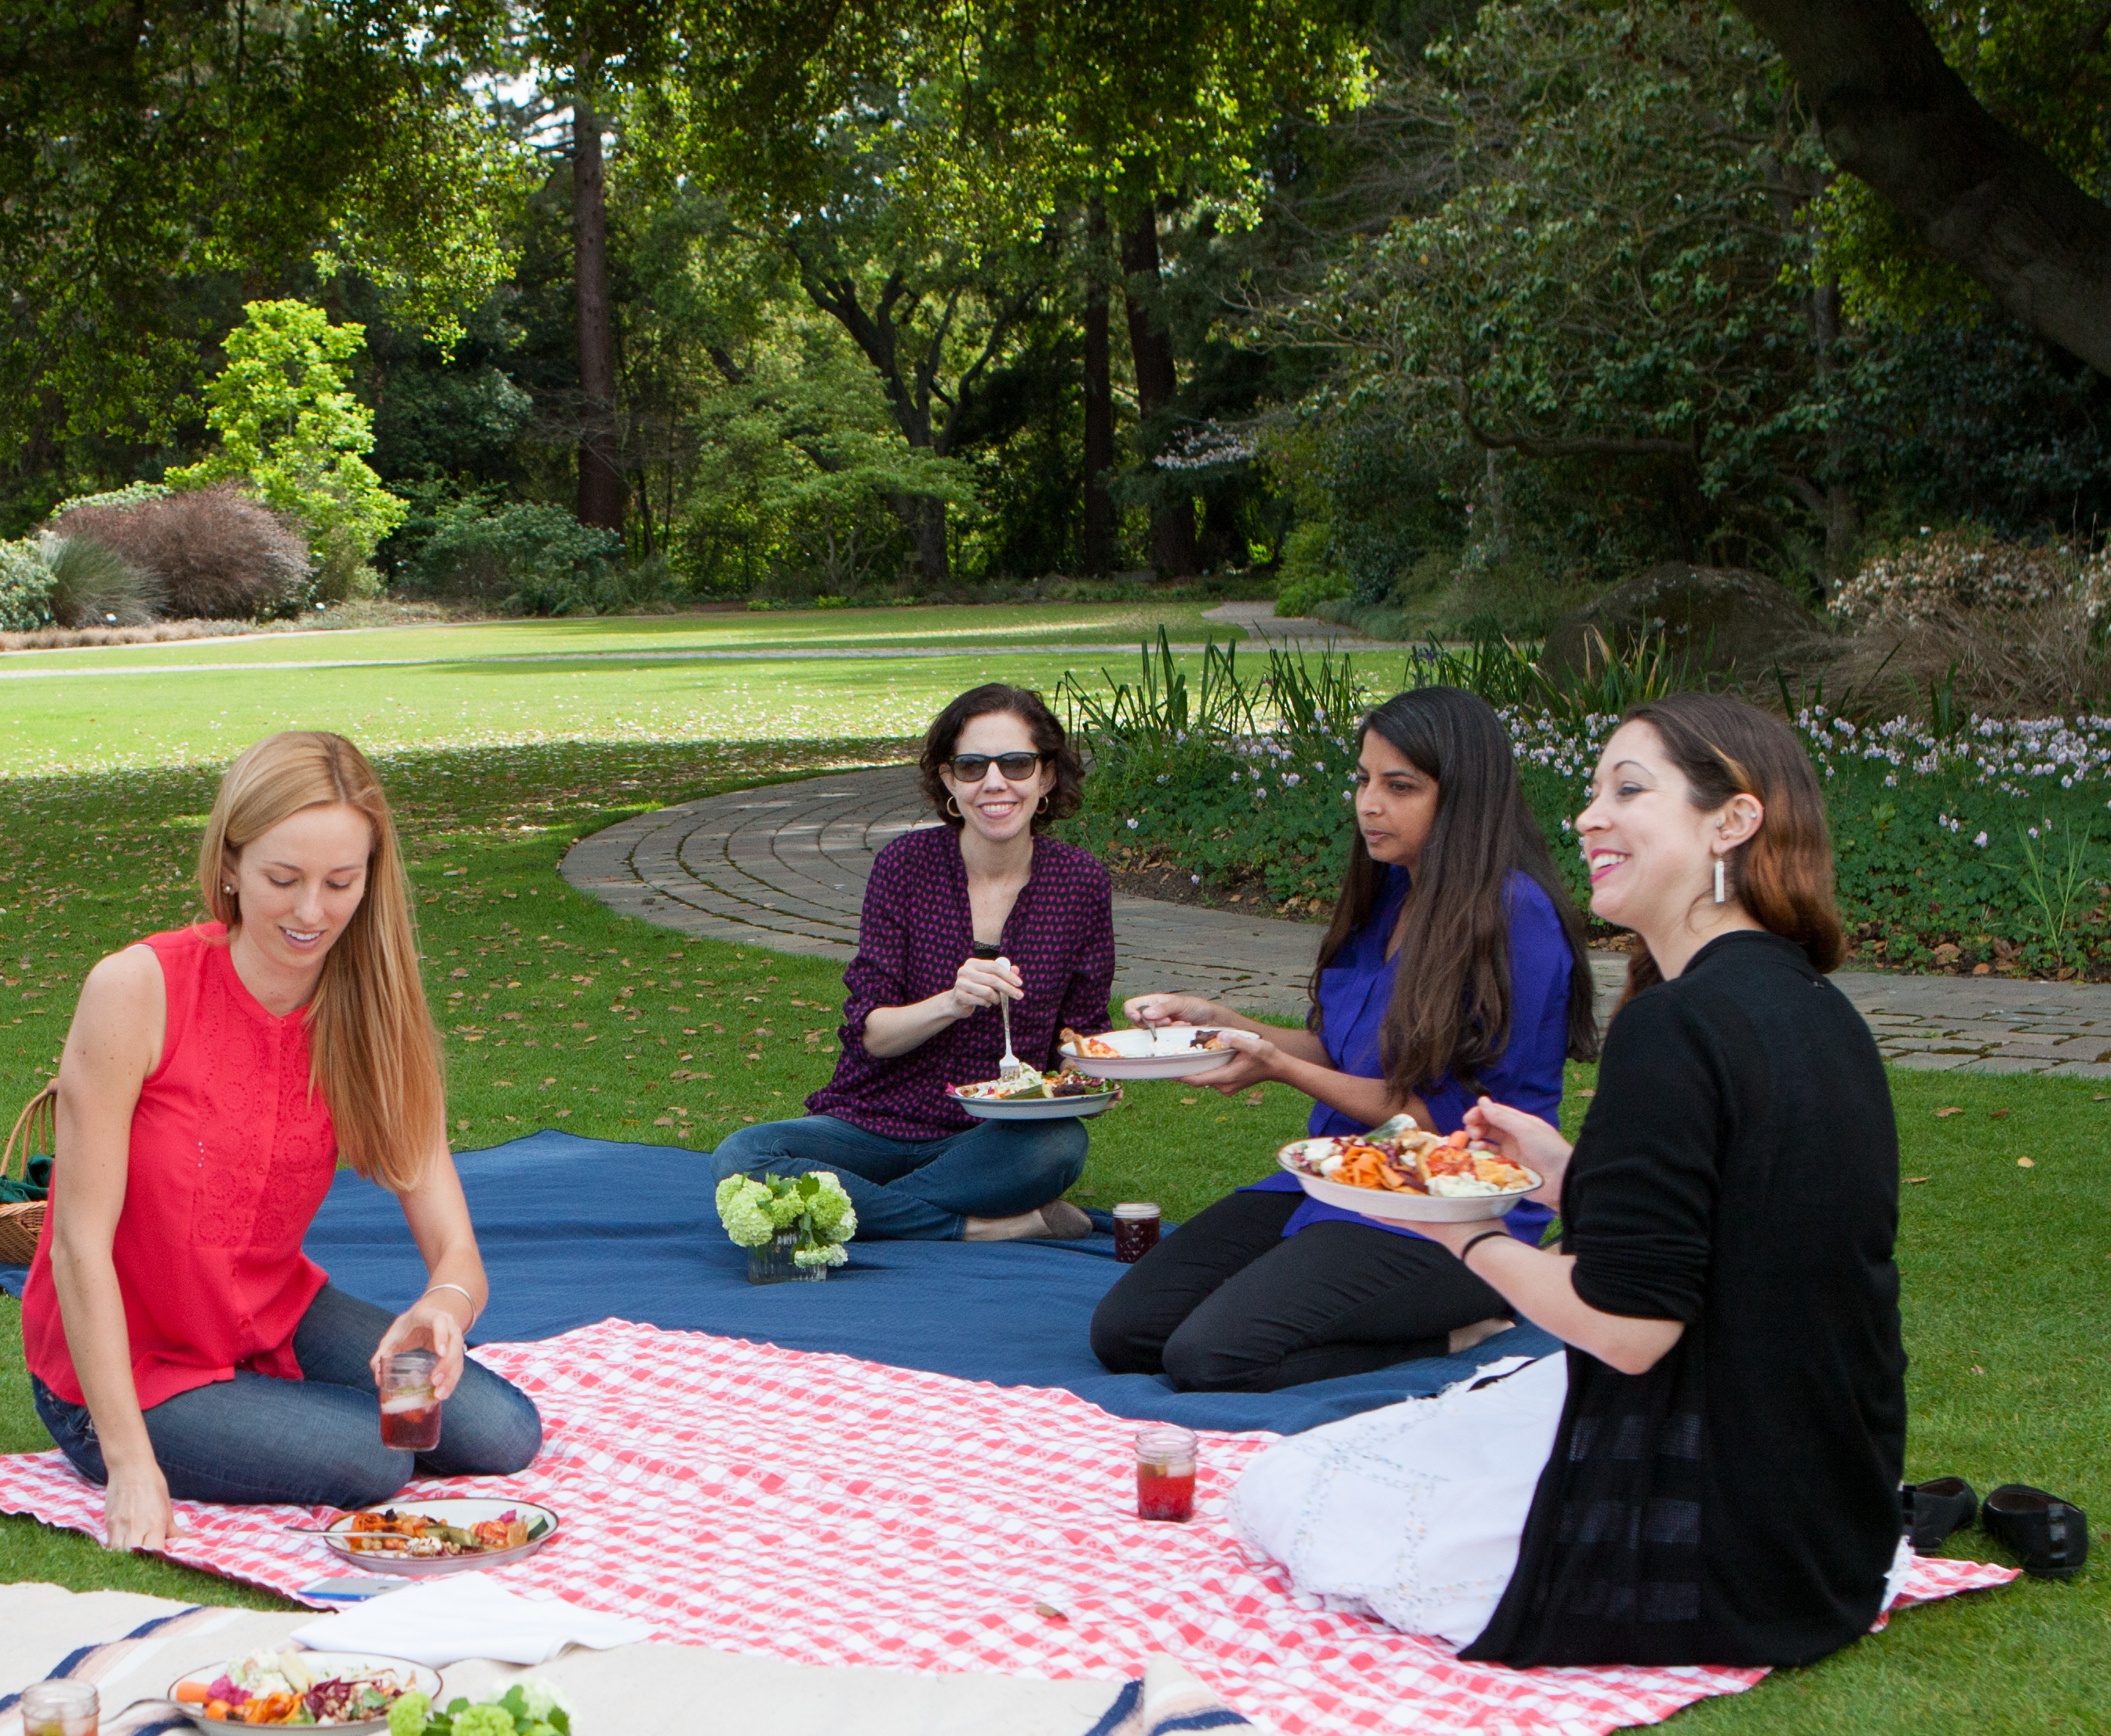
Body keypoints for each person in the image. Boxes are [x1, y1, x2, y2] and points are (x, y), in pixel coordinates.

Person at [1226, 695, 1905, 1666]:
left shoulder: (1676, 1026)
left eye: (1628, 791)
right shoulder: (1809, 1002)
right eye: (1593, 794)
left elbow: (1628, 1330)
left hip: (1724, 1550)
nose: (1589, 818)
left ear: (1733, 821)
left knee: (1291, 1489)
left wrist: (1459, 1227)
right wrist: (1564, 1176)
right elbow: (1752, 1219)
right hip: (1833, 1523)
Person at [27, 728, 540, 1553]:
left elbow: (458, 1254)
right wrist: (128, 1463)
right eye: (283, 878)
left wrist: (442, 1309)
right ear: (230, 865)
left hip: (267, 1318)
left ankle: (261, 1396)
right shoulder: (135, 990)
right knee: (377, 1457)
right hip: (126, 1368)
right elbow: (76, 1245)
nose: (310, 913)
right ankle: (208, 1418)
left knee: (500, 1432)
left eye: (340, 882)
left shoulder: (371, 1011)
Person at [1093, 685, 1595, 1391]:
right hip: (1340, 1179)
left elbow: (1434, 1121)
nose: (1369, 804)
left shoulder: (1517, 916)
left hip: (1448, 1206)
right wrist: (1225, 1024)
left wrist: (1278, 1068)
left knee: (1210, 1357)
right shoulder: (1390, 890)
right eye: (1363, 780)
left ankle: (1461, 1331)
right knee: (1127, 1331)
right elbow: (1338, 1051)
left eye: (1399, 786)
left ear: (1463, 797)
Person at [709, 683, 1117, 1241]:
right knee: (744, 1156)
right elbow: (873, 1036)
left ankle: (845, 1209)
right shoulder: (905, 867)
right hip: (871, 1124)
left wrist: (1095, 1078)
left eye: (1016, 764)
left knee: (1060, 1145)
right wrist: (951, 1002)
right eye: (972, 766)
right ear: (949, 780)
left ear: (1046, 777)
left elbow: (1083, 1033)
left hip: (992, 1134)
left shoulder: (1080, 883)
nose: (994, 782)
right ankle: (980, 1227)